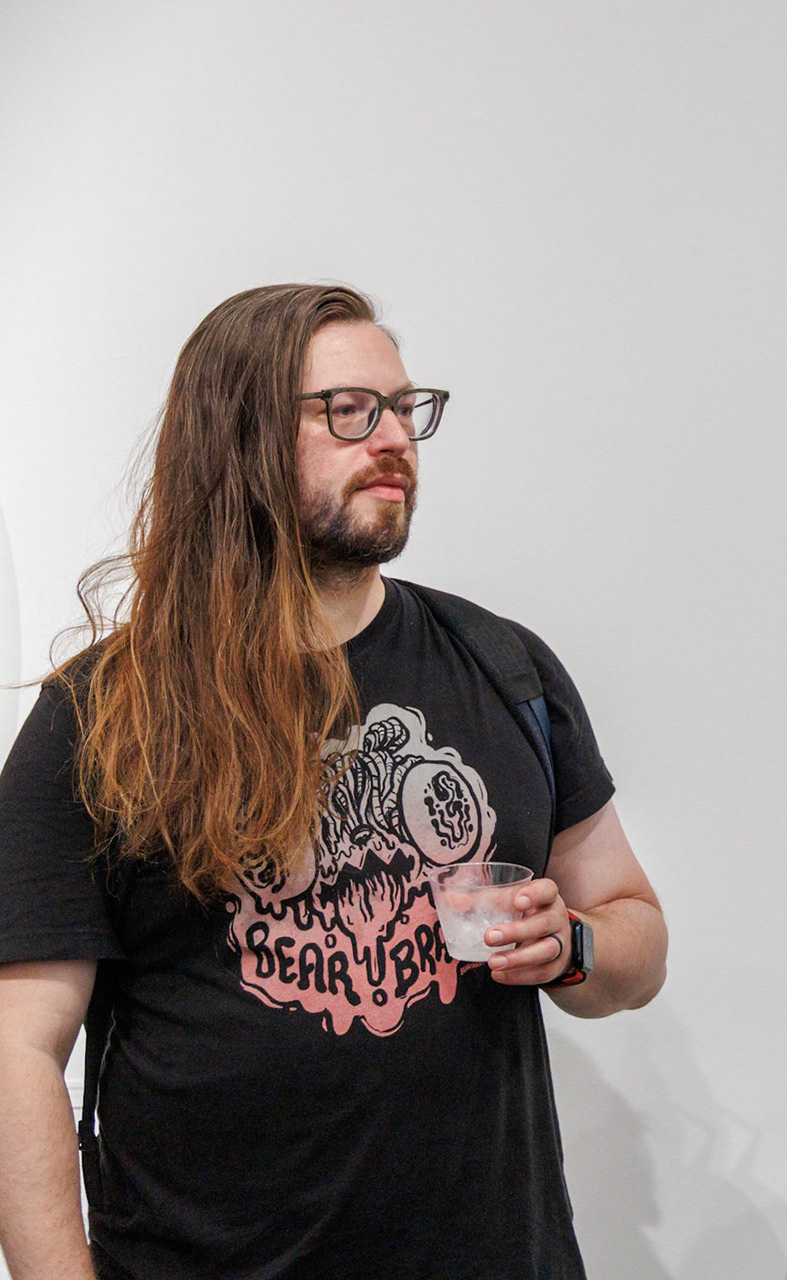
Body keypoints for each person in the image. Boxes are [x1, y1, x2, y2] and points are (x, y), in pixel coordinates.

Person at [0, 284, 668, 1279]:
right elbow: (17, 1050)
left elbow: (635, 932)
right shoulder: (108, 711)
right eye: (349, 410)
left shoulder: (504, 666)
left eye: (405, 408)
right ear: (240, 438)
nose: (394, 438)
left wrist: (572, 943)